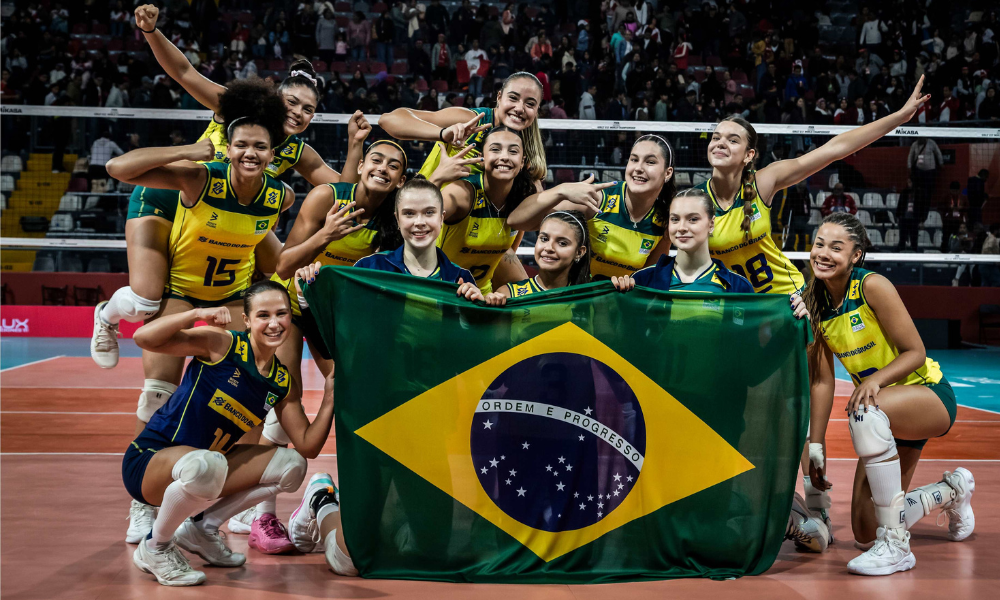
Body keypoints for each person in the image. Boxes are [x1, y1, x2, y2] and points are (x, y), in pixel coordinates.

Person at [91, 4, 367, 370]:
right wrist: (151, 32)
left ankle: (250, 315)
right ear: (275, 98)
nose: (299, 113)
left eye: (309, 110)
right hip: (172, 196)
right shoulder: (234, 107)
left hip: (222, 213)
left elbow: (341, 192)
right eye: (293, 102)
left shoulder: (299, 151)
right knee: (144, 301)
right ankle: (106, 317)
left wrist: (355, 148)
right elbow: (183, 71)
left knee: (278, 265)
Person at [104, 93, 296, 548]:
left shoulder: (280, 197)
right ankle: (144, 501)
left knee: (247, 400)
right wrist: (187, 151)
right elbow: (118, 169)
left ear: (273, 155)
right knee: (158, 394)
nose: (251, 153)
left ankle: (208, 517)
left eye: (261, 147)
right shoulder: (199, 177)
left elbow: (270, 252)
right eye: (242, 144)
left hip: (232, 301)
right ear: (228, 147)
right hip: (185, 294)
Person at [223, 140, 409, 543]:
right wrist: (326, 235)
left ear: (399, 180)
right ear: (360, 168)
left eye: (393, 165)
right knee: (280, 399)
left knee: (353, 393)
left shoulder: (395, 221)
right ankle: (263, 516)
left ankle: (343, 498)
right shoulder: (328, 197)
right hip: (289, 307)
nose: (383, 168)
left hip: (334, 317)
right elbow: (284, 264)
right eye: (375, 159)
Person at [124, 279, 335, 586]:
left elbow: (307, 446)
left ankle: (202, 527)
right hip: (148, 462)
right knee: (210, 463)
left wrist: (331, 393)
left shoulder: (280, 380)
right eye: (264, 315)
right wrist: (195, 313)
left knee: (292, 466)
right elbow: (144, 337)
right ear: (247, 320)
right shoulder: (221, 344)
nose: (274, 323)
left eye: (282, 314)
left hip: (203, 468)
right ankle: (155, 546)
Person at [796, 213, 974, 576]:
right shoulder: (812, 300)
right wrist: (816, 450)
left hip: (926, 396)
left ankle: (896, 547)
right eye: (819, 244)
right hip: (883, 414)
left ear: (856, 255)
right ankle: (951, 491)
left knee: (863, 409)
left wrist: (875, 381)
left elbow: (915, 352)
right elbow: (821, 382)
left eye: (836, 247)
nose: (824, 253)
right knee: (863, 532)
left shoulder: (871, 286)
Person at [508, 135, 676, 280]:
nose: (638, 168)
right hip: (579, 299)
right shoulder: (597, 199)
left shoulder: (663, 219)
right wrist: (561, 191)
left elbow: (648, 277)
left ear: (667, 173)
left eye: (650, 162)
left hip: (621, 303)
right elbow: (517, 220)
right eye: (634, 159)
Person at [424, 126, 535, 294]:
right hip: (438, 292)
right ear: (481, 158)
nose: (504, 157)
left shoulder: (521, 202)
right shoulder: (462, 193)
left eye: (513, 152)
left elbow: (509, 250)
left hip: (480, 296)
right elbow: (415, 216)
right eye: (495, 150)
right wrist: (437, 177)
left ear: (522, 162)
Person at [484, 210, 591, 305]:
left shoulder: (591, 298)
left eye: (562, 243)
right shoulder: (508, 295)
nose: (549, 248)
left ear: (579, 252)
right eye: (544, 239)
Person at [895, 180, 923, 252]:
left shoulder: (918, 193)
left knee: (914, 240)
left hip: (914, 220)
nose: (909, 183)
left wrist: (921, 220)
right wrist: (898, 216)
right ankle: (900, 256)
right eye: (908, 182)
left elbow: (921, 207)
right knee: (902, 239)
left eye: (910, 182)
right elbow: (900, 204)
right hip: (904, 219)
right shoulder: (904, 192)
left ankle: (914, 255)